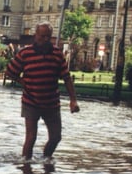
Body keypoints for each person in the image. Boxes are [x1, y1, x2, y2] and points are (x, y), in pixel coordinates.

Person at [5, 21, 80, 161]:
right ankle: (26, 165)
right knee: (31, 137)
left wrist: (73, 100)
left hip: (51, 102)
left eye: (48, 37)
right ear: (36, 35)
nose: (45, 39)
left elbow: (66, 77)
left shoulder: (57, 54)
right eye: (42, 36)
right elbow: (10, 71)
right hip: (31, 101)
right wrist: (22, 82)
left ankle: (46, 159)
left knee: (56, 137)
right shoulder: (25, 53)